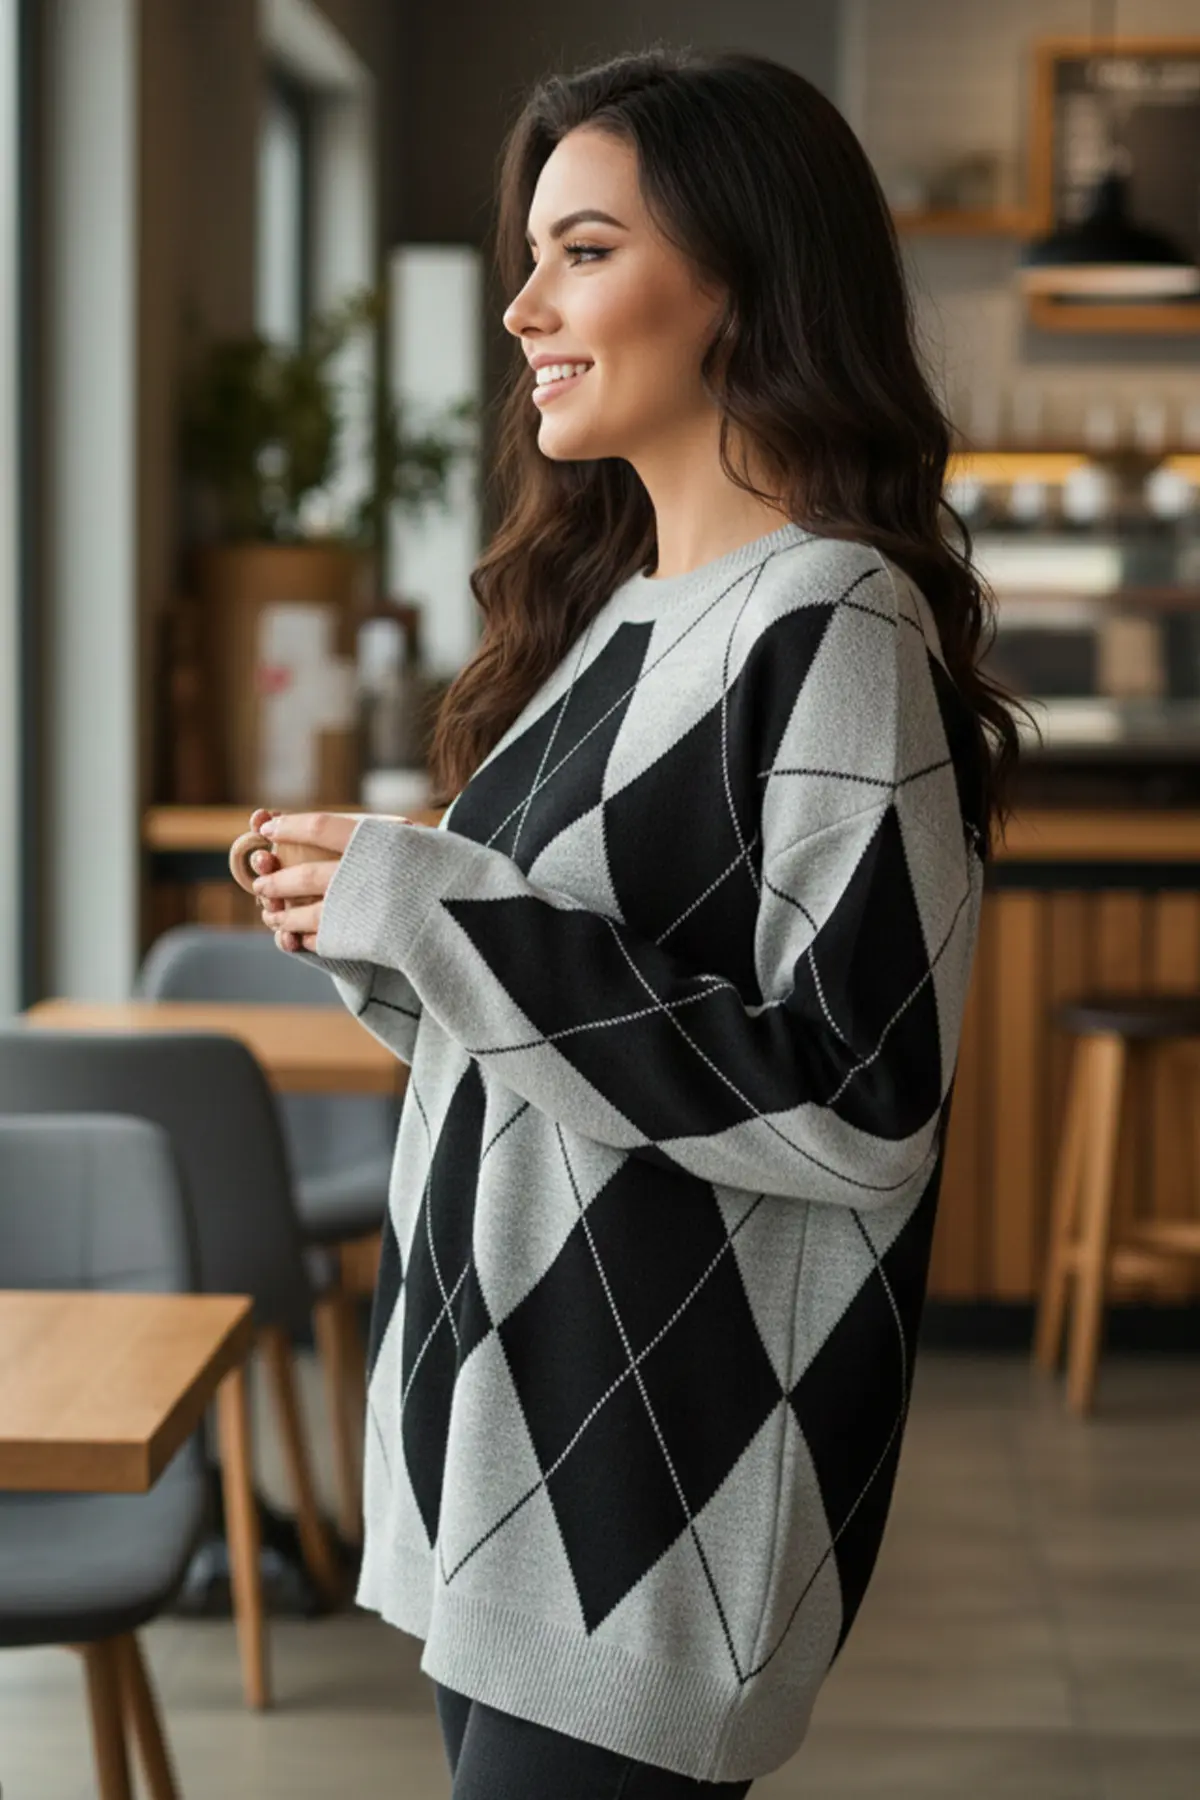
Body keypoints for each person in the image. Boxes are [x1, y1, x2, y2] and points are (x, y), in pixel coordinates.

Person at [246, 46, 1017, 1798]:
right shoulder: (614, 623)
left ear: (745, 281)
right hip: (506, 1451)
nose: (524, 307)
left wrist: (442, 901)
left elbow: (856, 1100)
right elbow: (576, 1046)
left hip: (649, 1490)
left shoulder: (833, 624)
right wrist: (393, 934)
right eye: (533, 254)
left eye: (582, 251)